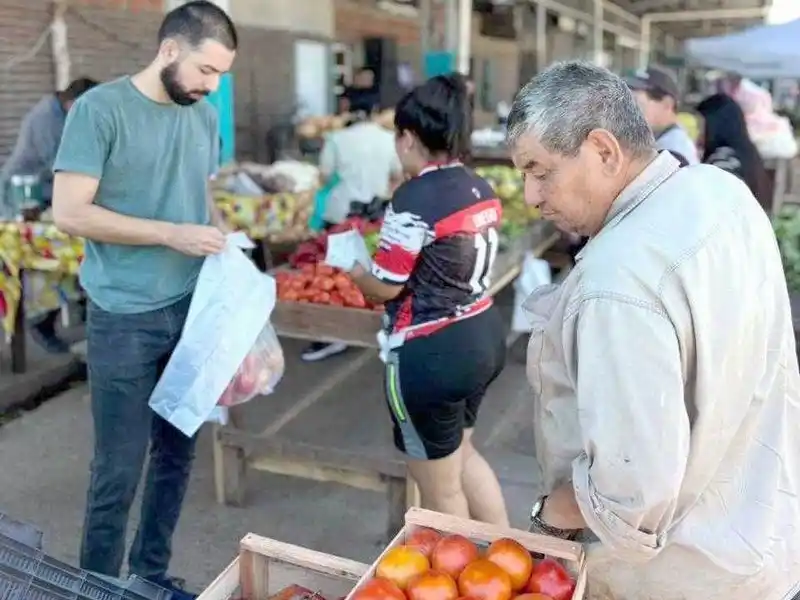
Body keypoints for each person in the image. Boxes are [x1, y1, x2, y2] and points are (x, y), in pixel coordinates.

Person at [506, 60, 800, 600]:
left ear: (603, 150)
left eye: (539, 169)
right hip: (766, 541)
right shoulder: (719, 191)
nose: (531, 195)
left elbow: (630, 489)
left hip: (683, 578)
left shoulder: (617, 280)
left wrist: (550, 518)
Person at [51, 2, 236, 597]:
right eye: (207, 71)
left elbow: (197, 189)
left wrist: (220, 237)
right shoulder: (99, 111)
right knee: (117, 471)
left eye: (221, 77)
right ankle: (98, 586)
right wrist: (169, 233)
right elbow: (70, 212)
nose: (212, 87)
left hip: (192, 308)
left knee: (177, 459)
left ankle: (150, 576)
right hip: (123, 318)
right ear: (170, 50)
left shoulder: (202, 117)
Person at [347, 74, 509, 525]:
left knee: (441, 492)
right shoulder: (480, 185)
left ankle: (467, 585)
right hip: (483, 333)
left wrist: (353, 267)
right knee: (464, 454)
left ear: (409, 137)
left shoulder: (414, 197)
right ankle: (511, 558)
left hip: (432, 352)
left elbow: (388, 285)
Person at [0, 77, 99, 354]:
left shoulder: (64, 113)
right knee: (47, 258)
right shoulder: (47, 119)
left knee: (72, 253)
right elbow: (64, 167)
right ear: (73, 102)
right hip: (22, 198)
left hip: (45, 196)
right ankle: (41, 321)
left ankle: (83, 307)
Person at [301, 110, 403, 362]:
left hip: (340, 215)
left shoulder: (336, 138)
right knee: (368, 275)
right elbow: (398, 176)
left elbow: (324, 176)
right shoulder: (389, 139)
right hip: (374, 215)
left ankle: (331, 335)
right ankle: (370, 329)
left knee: (331, 280)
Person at [697, 93, 770, 208]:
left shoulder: (723, 160)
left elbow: (714, 205)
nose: (698, 131)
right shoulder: (747, 154)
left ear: (714, 125)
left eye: (701, 124)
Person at [626, 65, 699, 164]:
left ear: (667, 104)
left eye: (637, 102)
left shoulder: (674, 152)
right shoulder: (659, 138)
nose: (628, 109)